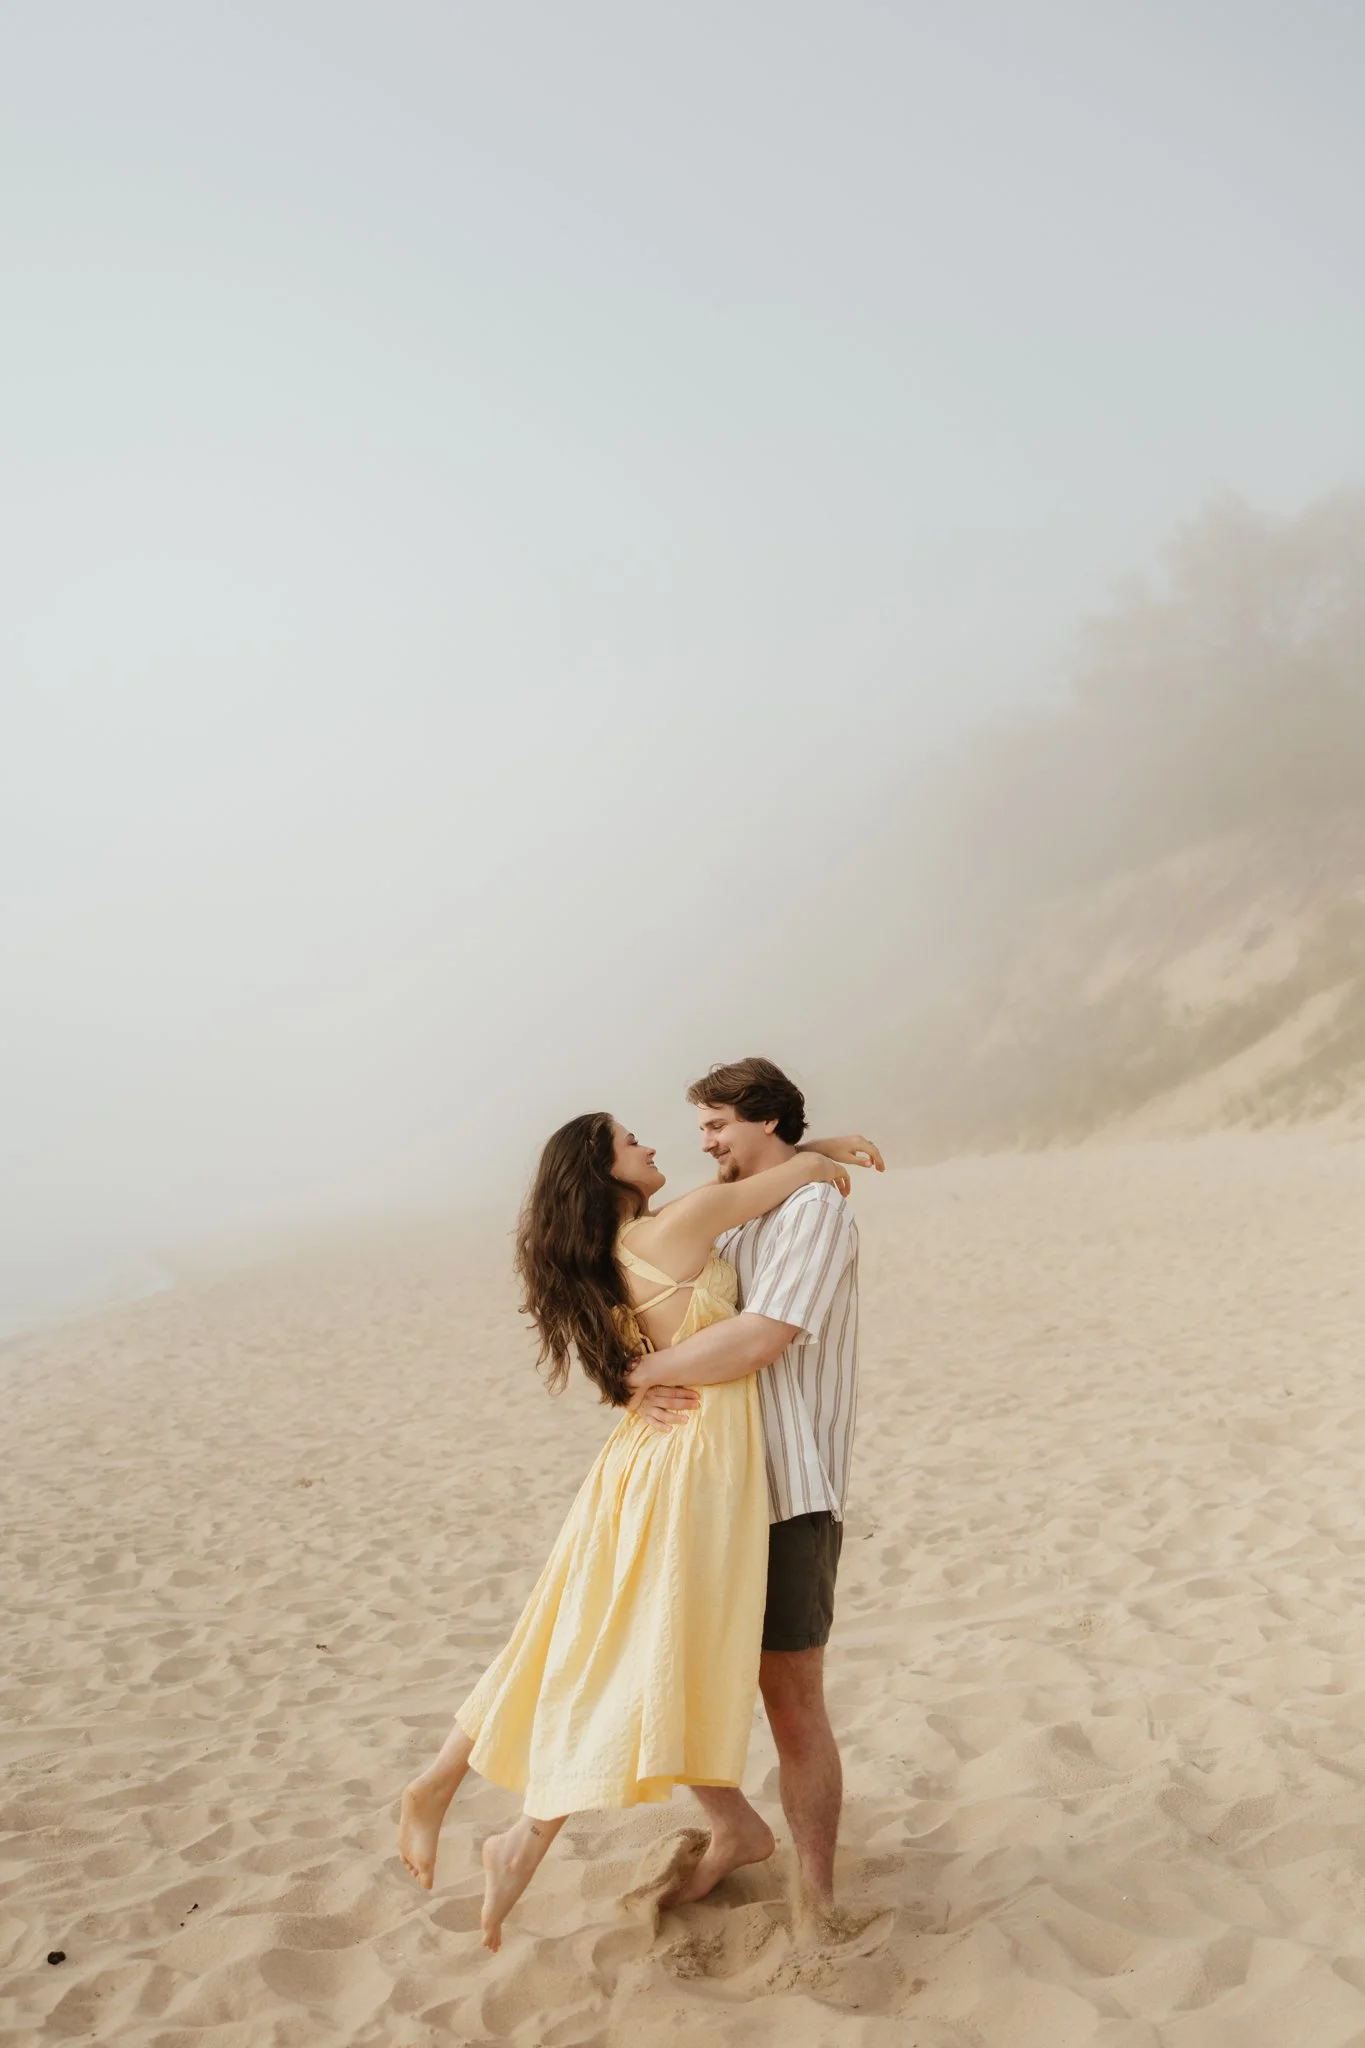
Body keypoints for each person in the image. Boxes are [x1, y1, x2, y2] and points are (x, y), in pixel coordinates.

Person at [395, 1107, 878, 1950]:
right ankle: (517, 1827)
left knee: (577, 1635)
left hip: (640, 1458)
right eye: (630, 1142)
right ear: (603, 1171)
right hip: (695, 1463)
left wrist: (631, 1378)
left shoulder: (613, 1254)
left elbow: (737, 1184)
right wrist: (819, 1156)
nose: (651, 1145)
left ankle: (449, 1784)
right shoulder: (677, 1227)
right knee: (618, 1652)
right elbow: (784, 1186)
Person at [628, 1058, 878, 1917]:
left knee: (791, 1701)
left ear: (765, 1120)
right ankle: (736, 1830)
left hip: (785, 1488)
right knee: (665, 1665)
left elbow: (761, 1336)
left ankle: (815, 1896)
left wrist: (643, 1371)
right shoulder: (738, 1220)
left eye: (717, 1126)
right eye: (700, 1128)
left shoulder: (813, 1211)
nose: (705, 1145)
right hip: (704, 1486)